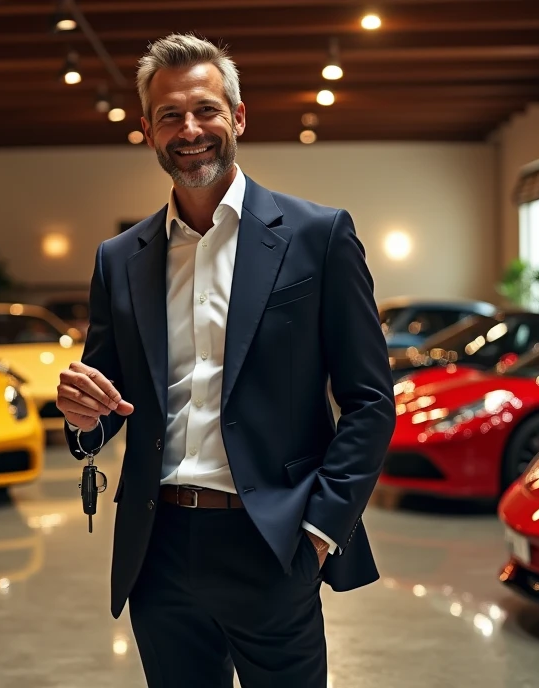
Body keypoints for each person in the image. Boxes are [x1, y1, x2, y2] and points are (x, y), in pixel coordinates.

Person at [56, 33, 396, 688]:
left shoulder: (318, 236)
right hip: (157, 550)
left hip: (272, 542)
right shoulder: (119, 258)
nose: (190, 129)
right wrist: (80, 418)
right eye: (170, 116)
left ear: (238, 117)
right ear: (148, 131)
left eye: (206, 110)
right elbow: (105, 406)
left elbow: (370, 400)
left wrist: (322, 530)